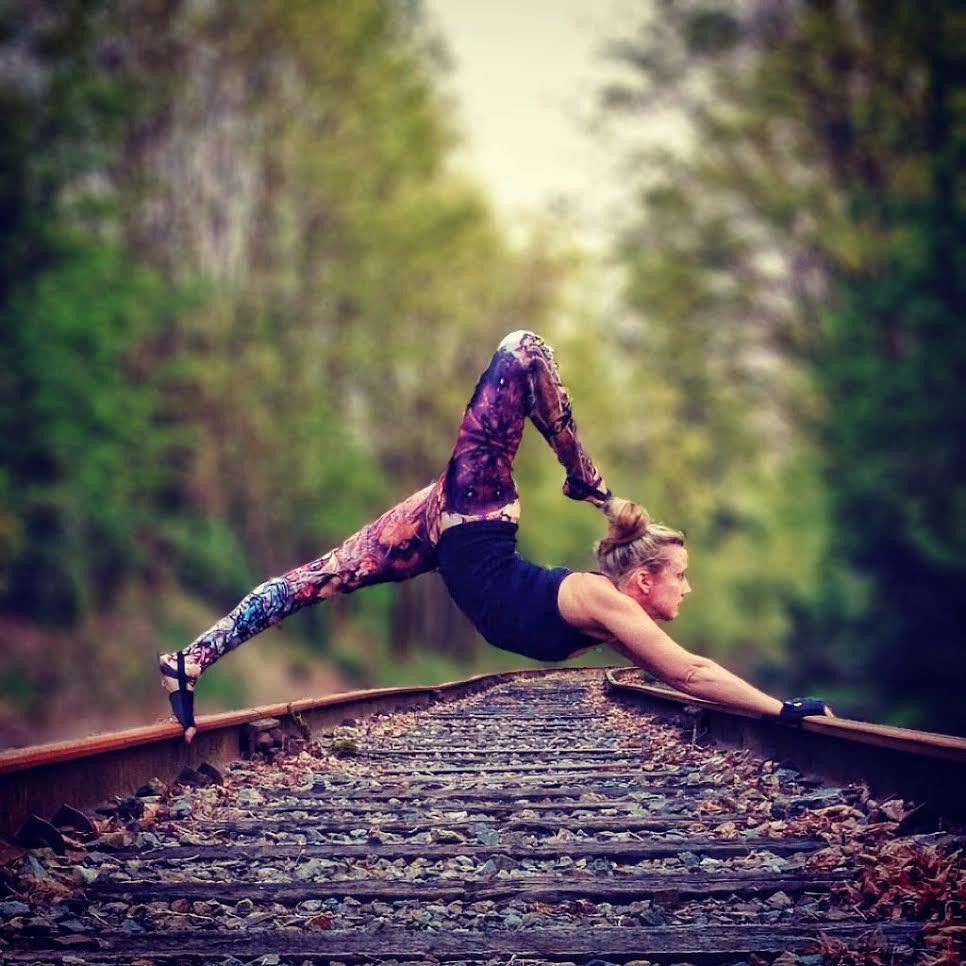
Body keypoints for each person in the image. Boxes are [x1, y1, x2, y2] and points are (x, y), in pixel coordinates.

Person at [160, 330, 830, 742]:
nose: (690, 588)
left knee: (309, 582)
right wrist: (781, 710)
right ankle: (583, 475)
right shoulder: (606, 602)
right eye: (682, 576)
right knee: (524, 348)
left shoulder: (611, 619)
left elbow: (681, 677)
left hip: (441, 531)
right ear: (644, 579)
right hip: (475, 516)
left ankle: (191, 659)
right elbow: (692, 670)